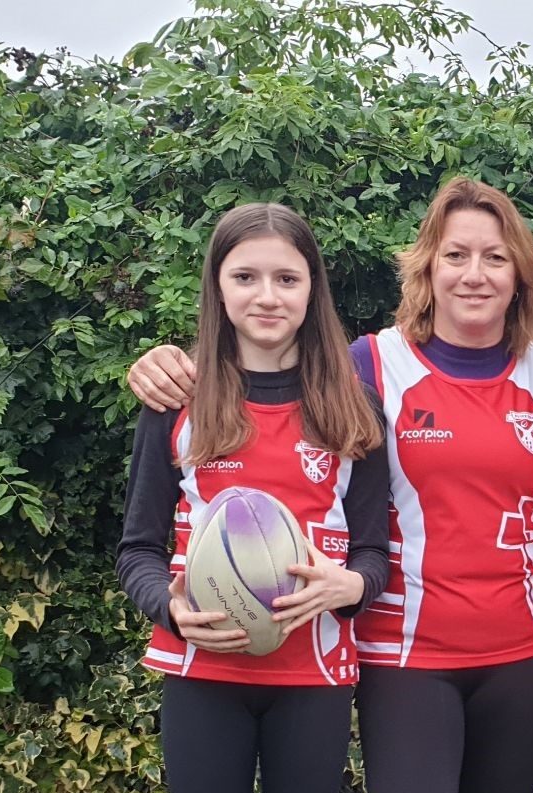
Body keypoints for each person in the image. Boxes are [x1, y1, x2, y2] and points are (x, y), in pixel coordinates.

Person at [127, 177, 533, 793]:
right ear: (426, 268)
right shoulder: (368, 366)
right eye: (455, 255)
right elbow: (139, 546)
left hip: (519, 651)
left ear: (522, 274)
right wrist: (157, 363)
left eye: (496, 257)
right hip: (398, 655)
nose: (475, 274)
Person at [116, 203, 389, 793]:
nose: (267, 296)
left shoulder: (355, 407)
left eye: (287, 279)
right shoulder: (177, 403)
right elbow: (137, 548)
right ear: (218, 285)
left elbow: (373, 553)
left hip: (313, 675)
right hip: (204, 669)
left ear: (312, 289)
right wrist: (172, 612)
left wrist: (352, 588)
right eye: (245, 277)